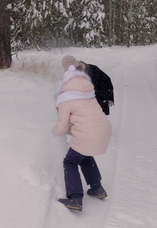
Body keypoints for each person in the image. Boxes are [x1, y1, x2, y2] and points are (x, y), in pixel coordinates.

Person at [53, 64, 112, 212]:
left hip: (87, 134)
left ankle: (75, 198)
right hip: (104, 130)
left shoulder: (66, 100)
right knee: (85, 156)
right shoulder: (88, 95)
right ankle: (97, 188)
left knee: (70, 162)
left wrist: (53, 133)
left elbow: (61, 125)